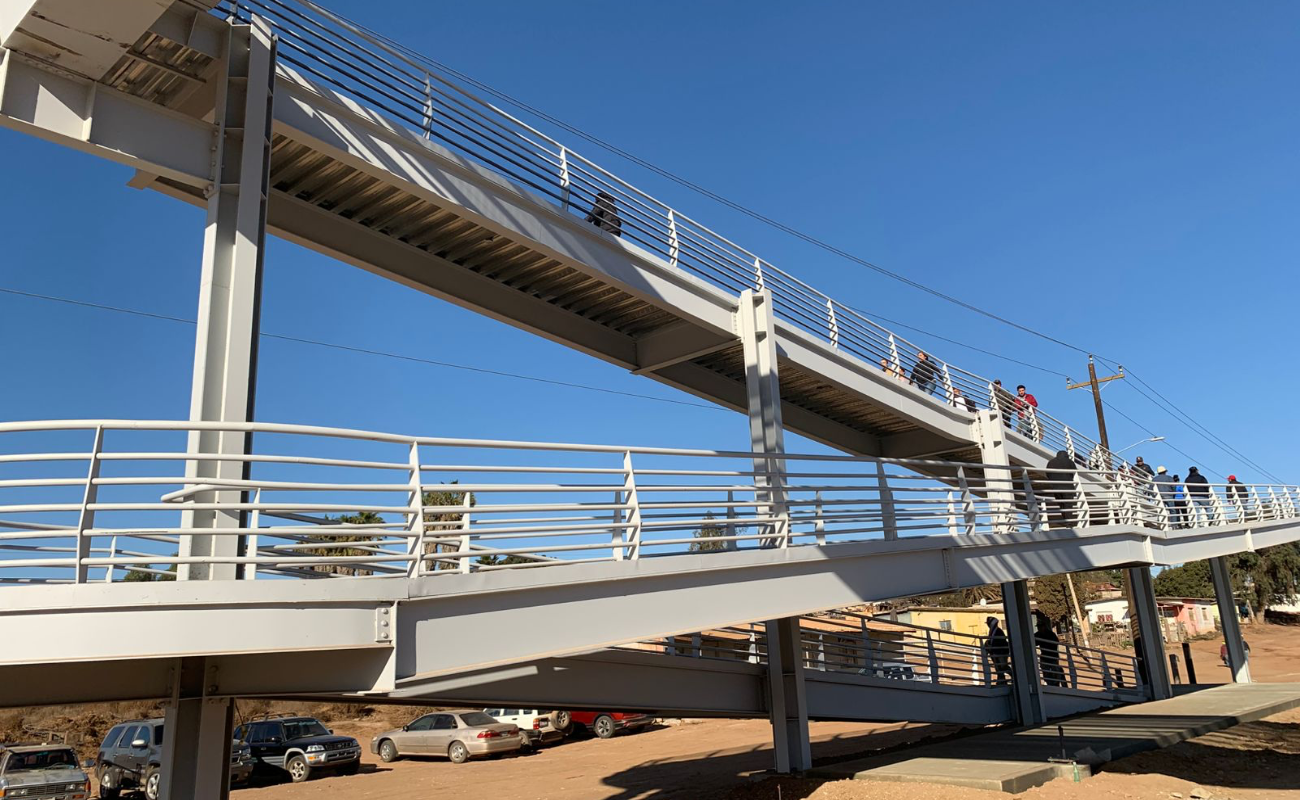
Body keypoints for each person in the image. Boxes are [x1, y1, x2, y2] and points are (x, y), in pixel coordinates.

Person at [1045, 449, 1076, 527]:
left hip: (1055, 487)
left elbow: (1047, 474)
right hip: (1067, 486)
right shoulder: (1069, 462)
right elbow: (1074, 472)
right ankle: (1068, 522)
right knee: (1068, 504)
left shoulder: (1051, 462)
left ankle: (1065, 520)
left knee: (1061, 504)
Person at [1035, 612, 1064, 687]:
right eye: (1038, 627)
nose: (1039, 628)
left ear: (1044, 626)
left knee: (1055, 672)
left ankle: (1056, 685)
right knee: (1046, 672)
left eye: (1040, 626)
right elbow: (1034, 641)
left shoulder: (1051, 634)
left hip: (1052, 656)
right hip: (1044, 657)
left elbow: (1056, 643)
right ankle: (1049, 683)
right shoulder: (1038, 634)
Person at [985, 616, 1011, 685]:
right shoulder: (993, 631)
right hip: (996, 652)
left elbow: (1000, 642)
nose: (988, 625)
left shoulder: (998, 631)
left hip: (1001, 652)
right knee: (998, 667)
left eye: (988, 623)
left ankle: (1013, 677)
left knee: (1003, 666)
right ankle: (1001, 680)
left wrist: (991, 646)